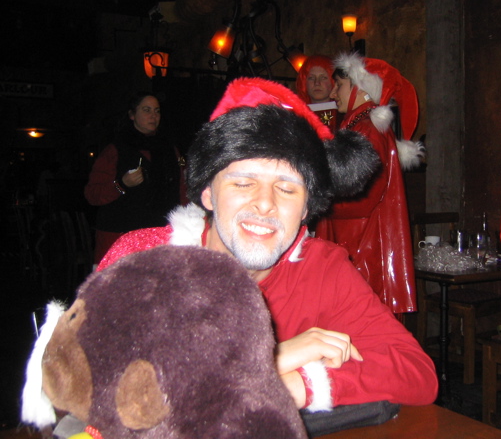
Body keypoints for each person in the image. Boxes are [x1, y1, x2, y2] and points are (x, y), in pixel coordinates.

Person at [99, 78, 438, 413]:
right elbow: (100, 389)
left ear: (306, 208)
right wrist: (269, 362)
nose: (265, 204)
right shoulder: (146, 259)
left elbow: (417, 374)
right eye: (244, 183)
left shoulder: (322, 268)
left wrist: (301, 384)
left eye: (287, 189)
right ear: (208, 194)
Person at [314, 52, 424, 314]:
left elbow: (361, 199)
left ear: (361, 90)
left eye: (339, 85)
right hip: (356, 247)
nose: (332, 93)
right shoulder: (360, 128)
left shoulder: (367, 131)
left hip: (361, 252)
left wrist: (314, 202)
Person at [84, 92, 186, 264]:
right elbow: (93, 195)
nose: (153, 116)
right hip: (123, 237)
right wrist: (122, 184)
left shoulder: (170, 149)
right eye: (147, 110)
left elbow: (182, 189)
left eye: (157, 111)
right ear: (132, 115)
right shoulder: (115, 150)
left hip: (159, 235)